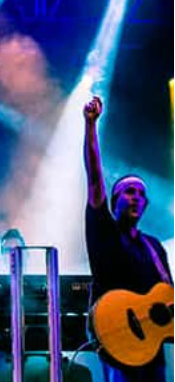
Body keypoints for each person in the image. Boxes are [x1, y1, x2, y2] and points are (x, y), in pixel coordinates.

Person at [81, 95, 173, 382]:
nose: (136, 197)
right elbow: (94, 177)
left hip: (152, 348)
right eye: (129, 192)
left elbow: (167, 296)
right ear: (115, 200)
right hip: (117, 338)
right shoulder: (104, 231)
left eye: (141, 194)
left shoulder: (154, 247)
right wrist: (90, 126)